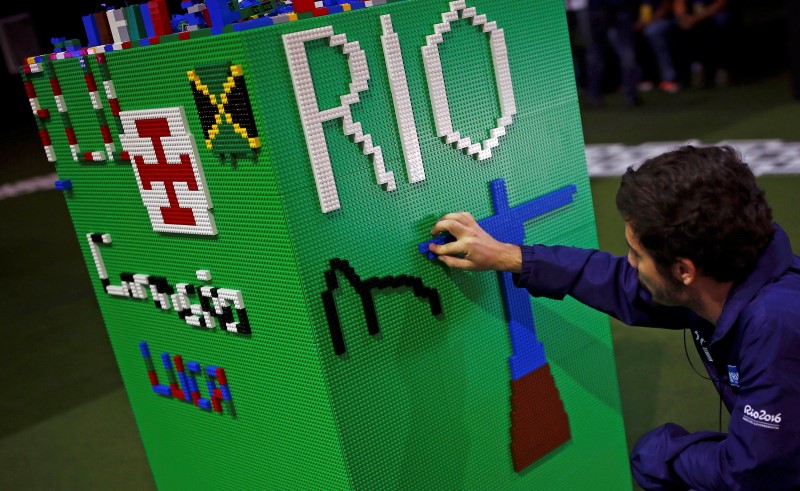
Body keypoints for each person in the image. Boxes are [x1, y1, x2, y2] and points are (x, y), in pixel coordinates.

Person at [428, 145, 800, 490]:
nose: (630, 264)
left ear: (684, 270)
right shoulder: (730, 270)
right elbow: (620, 284)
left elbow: (753, 471)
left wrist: (665, 455)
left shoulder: (775, 325)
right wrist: (511, 257)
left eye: (637, 255)